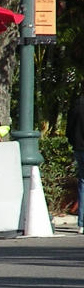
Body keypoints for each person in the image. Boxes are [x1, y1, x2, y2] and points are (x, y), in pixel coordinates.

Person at [66, 83, 84, 234]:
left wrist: (74, 142)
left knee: (82, 183)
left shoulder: (76, 105)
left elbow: (69, 129)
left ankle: (82, 223)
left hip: (79, 147)